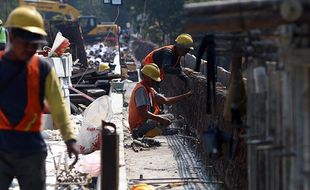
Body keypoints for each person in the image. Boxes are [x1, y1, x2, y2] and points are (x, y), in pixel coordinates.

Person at [0, 6, 79, 189]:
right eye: (26, 43)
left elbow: (58, 106)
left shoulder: (43, 69)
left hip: (31, 151)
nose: (30, 49)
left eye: (34, 45)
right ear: (11, 36)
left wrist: (70, 139)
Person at [128, 63, 192, 139]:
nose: (155, 82)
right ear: (147, 77)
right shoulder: (141, 90)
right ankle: (142, 135)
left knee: (170, 117)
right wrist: (161, 119)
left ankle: (155, 131)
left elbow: (166, 100)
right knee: (164, 120)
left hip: (143, 122)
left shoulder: (150, 89)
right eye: (153, 79)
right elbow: (142, 112)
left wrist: (185, 96)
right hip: (138, 126)